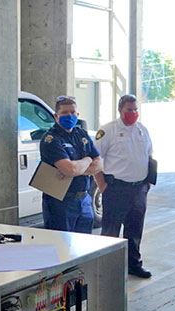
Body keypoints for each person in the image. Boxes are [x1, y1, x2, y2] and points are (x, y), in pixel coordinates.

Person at [93, 94, 154, 278]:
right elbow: (96, 159)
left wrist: (148, 182)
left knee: (134, 230)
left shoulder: (142, 130)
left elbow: (149, 156)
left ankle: (133, 265)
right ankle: (108, 269)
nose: (133, 113)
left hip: (138, 189)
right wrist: (102, 185)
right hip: (115, 189)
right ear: (120, 110)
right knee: (111, 231)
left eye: (136, 109)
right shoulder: (107, 131)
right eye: (129, 110)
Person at [40, 96, 103, 233]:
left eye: (73, 112)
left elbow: (100, 163)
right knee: (62, 247)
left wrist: (77, 169)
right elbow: (70, 169)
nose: (70, 116)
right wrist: (87, 160)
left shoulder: (81, 134)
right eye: (65, 113)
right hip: (60, 202)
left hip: (84, 199)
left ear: (77, 115)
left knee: (84, 247)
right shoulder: (51, 139)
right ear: (56, 116)